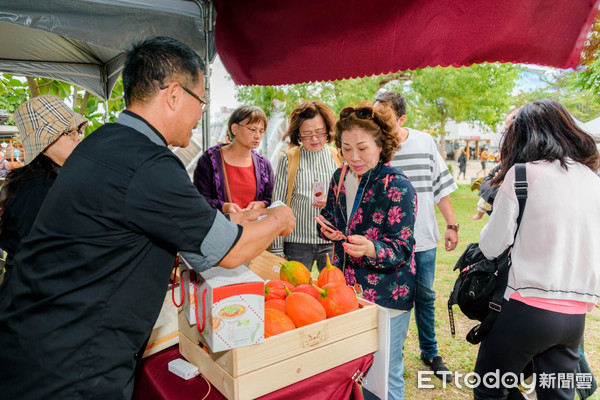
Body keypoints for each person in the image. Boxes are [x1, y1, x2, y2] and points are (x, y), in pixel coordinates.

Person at [0, 36, 295, 400]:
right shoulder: (148, 163)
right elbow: (228, 252)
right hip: (72, 366)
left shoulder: (103, 141)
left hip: (36, 343)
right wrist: (280, 217)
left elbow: (196, 230)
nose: (201, 112)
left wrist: (239, 222)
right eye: (201, 100)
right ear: (173, 94)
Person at [474, 99, 600, 400]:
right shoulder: (592, 179)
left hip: (526, 307)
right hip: (575, 315)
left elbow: (491, 246)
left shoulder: (521, 174)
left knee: (489, 389)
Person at [318, 104, 416, 400]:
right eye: (346, 148)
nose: (354, 157)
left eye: (362, 148)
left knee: (384, 374)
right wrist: (328, 227)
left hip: (388, 295)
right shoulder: (339, 177)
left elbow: (402, 247)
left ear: (381, 145)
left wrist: (373, 248)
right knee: (354, 371)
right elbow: (332, 215)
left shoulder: (397, 185)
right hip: (347, 292)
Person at [374, 91, 458, 381]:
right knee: (387, 299)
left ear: (401, 118)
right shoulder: (374, 147)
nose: (381, 124)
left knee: (425, 295)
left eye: (387, 119)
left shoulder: (425, 141)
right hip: (386, 242)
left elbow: (439, 187)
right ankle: (388, 353)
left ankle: (430, 351)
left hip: (422, 238)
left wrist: (452, 224)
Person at [0, 95, 87, 285]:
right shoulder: (37, 186)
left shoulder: (56, 175)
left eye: (79, 130)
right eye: (68, 132)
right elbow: (47, 258)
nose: (78, 137)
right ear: (44, 141)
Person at [270, 101, 341, 271]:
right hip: (296, 242)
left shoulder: (338, 156)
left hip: (330, 239)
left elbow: (348, 199)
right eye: (307, 134)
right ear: (298, 135)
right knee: (297, 292)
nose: (314, 139)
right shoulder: (289, 158)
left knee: (333, 290)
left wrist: (332, 201)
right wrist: (277, 249)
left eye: (319, 132)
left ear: (328, 130)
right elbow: (277, 204)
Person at [193, 105, 274, 213]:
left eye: (261, 131)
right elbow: (199, 199)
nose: (258, 136)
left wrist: (262, 204)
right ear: (234, 128)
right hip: (222, 227)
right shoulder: (210, 160)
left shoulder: (264, 165)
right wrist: (223, 207)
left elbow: (272, 198)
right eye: (253, 130)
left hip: (255, 227)